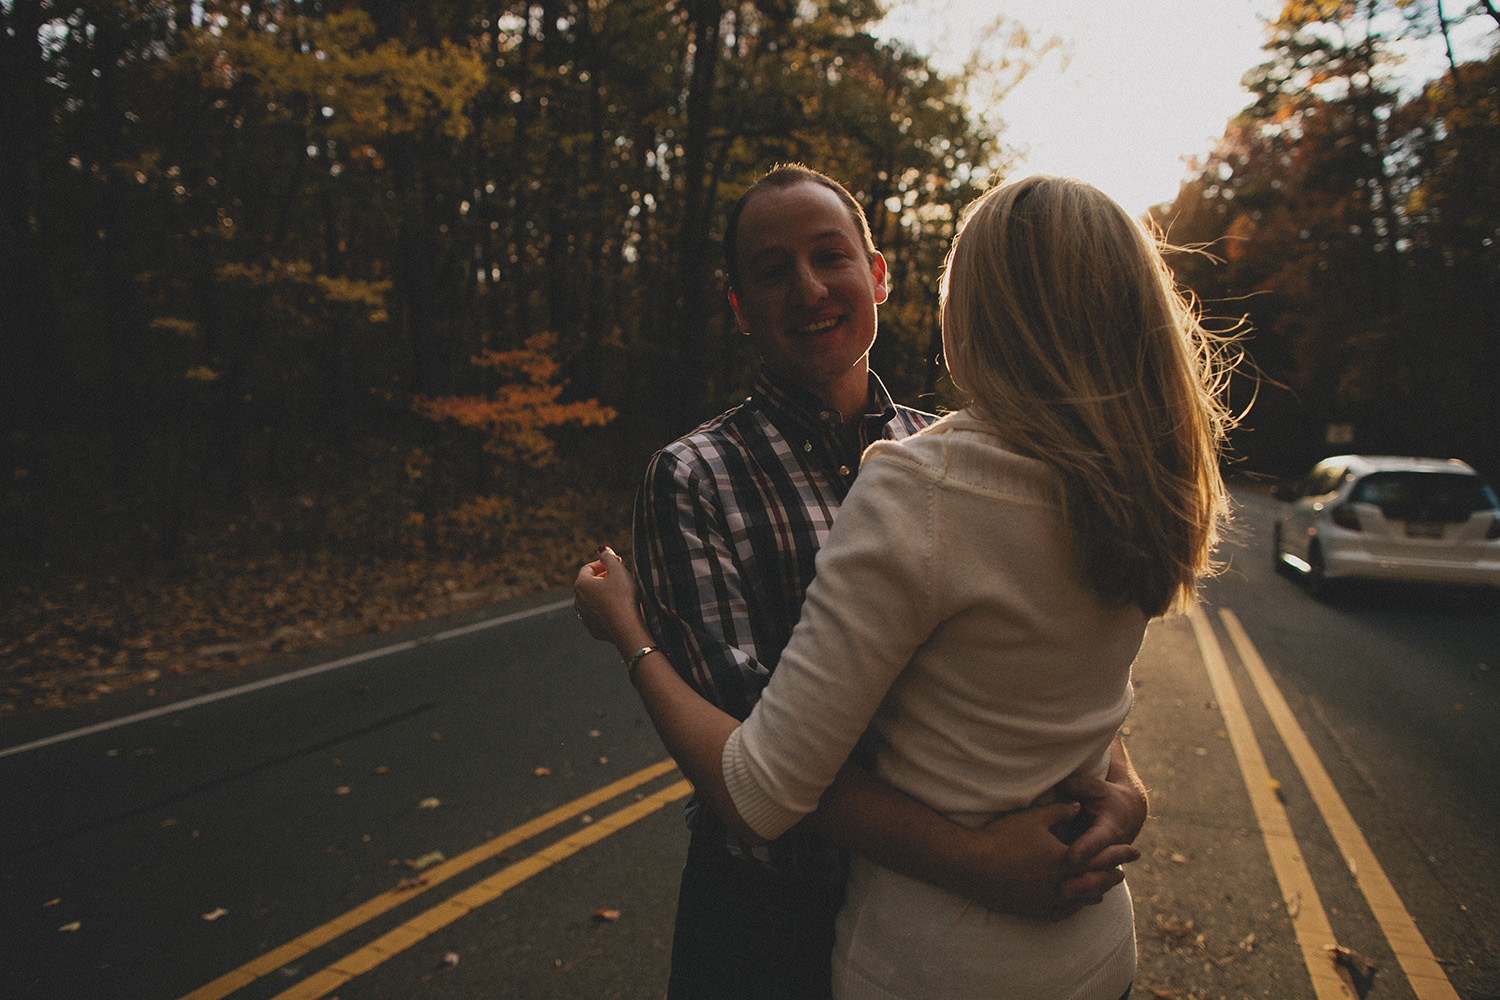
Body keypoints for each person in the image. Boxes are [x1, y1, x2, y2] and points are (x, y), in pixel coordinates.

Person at [576, 173, 1234, 999]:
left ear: (881, 276)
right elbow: (754, 730)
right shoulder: (693, 477)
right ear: (740, 307)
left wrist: (1124, 790)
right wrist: (974, 859)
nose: (809, 288)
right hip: (770, 923)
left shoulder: (946, 464)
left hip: (930, 943)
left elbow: (1044, 692)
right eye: (773, 271)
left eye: (830, 256)